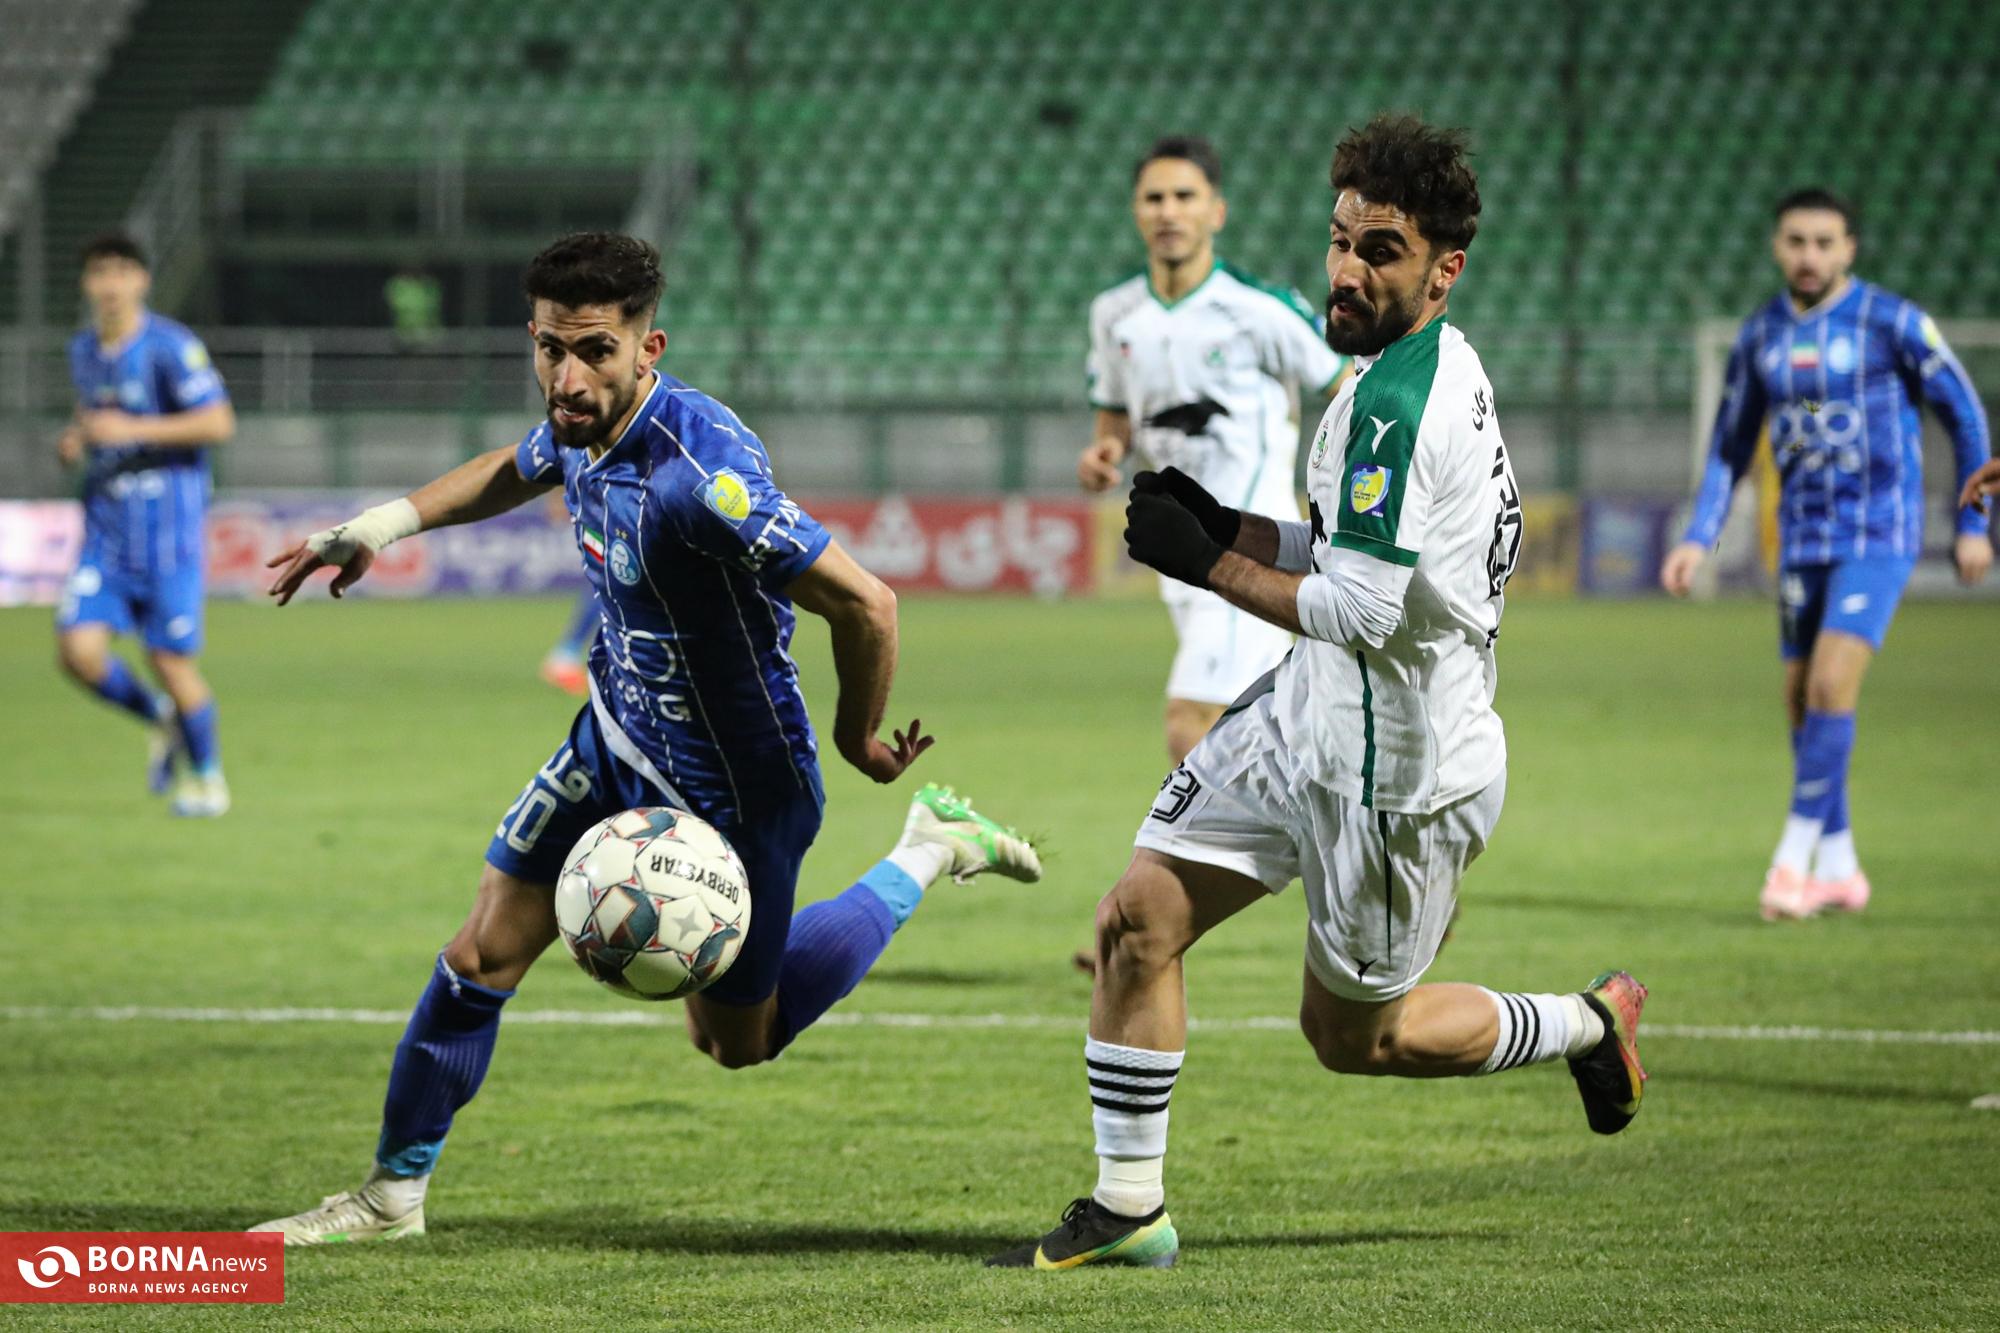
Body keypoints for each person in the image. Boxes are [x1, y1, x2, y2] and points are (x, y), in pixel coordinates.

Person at [252, 232, 1041, 1245]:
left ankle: (926, 850)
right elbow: (511, 468)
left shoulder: (697, 479)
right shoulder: (580, 425)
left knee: (734, 1041)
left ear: (646, 349)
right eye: (549, 349)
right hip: (616, 736)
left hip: (738, 785)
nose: (566, 378)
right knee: (480, 950)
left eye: (593, 351)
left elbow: (867, 603)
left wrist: (857, 740)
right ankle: (389, 1195)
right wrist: (380, 524)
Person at [990, 116, 1644, 1272]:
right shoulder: (1388, 368)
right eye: (1340, 240)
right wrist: (1229, 522)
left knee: (1354, 1037)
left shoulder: (1401, 402)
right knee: (1137, 915)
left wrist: (1207, 563)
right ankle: (1127, 1207)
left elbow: (1360, 608)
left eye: (1379, 251)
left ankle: (1587, 1021)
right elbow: (1345, 550)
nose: (1345, 269)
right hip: (1307, 712)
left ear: (1442, 270)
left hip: (1393, 771)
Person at [1660, 188, 1993, 921]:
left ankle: (1790, 863)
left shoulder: (1892, 322)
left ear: (1849, 249)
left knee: (1832, 683)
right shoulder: (1761, 336)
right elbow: (1729, 447)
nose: (1808, 255)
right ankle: (1840, 867)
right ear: (1777, 246)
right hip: (1800, 540)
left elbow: (1965, 414)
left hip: (1879, 531)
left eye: (1823, 242)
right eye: (1796, 241)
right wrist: (1697, 536)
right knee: (1800, 699)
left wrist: (1976, 522)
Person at [1081, 135, 1348, 764]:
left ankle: (1200, 837)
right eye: (1154, 198)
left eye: (1184, 196)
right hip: (1176, 550)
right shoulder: (1114, 314)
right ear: (1136, 211)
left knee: (1193, 721)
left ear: (1216, 211)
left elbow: (1347, 388)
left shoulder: (1261, 310)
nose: (1168, 211)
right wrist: (1105, 452)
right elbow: (1114, 414)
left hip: (1249, 546)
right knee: (1253, 737)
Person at [54, 233, 236, 817]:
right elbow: (95, 416)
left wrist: (132, 430)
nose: (110, 284)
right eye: (99, 272)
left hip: (167, 539)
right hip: (107, 537)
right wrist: (77, 439)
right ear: (86, 283)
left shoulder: (169, 347)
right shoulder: (83, 350)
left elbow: (218, 422)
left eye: (121, 271)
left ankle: (208, 781)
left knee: (169, 662)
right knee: (78, 651)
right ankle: (160, 718)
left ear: (141, 280)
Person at [539, 489, 597, 696]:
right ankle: (566, 655)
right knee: (608, 581)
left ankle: (567, 654)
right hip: (609, 513)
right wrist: (559, 496)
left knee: (608, 582)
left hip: (613, 510)